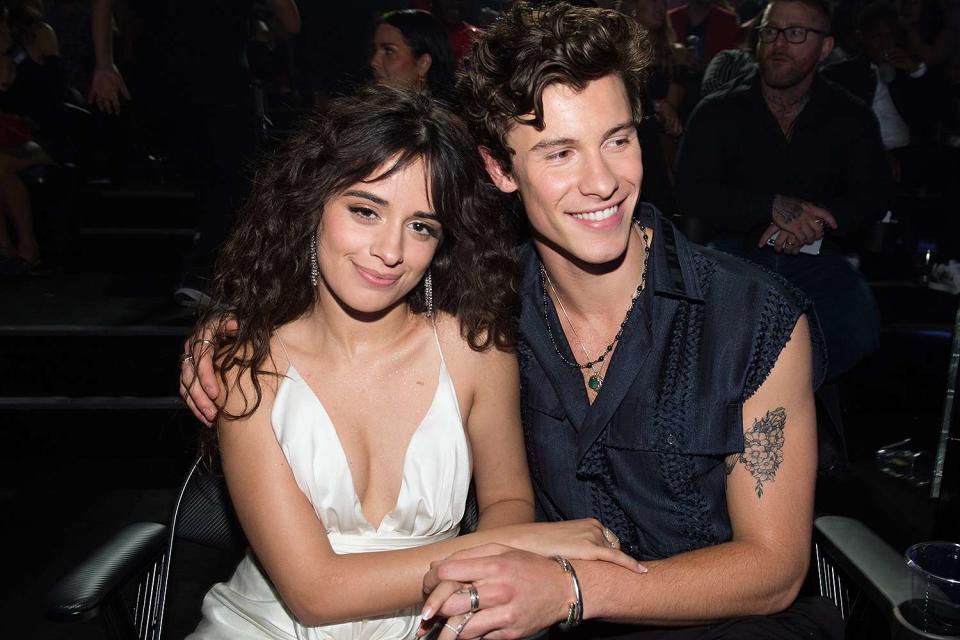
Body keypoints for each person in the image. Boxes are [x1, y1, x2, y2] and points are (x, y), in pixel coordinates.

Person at [184, 4, 842, 638]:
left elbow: (774, 572)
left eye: (618, 140)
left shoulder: (753, 319)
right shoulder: (486, 306)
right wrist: (230, 328)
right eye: (559, 153)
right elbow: (362, 286)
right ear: (500, 168)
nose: (601, 181)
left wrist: (570, 586)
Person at [182, 86, 641, 640]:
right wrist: (528, 543)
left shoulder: (475, 347)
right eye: (365, 210)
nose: (391, 250)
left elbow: (508, 498)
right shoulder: (243, 365)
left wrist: (470, 593)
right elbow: (314, 593)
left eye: (421, 226)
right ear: (311, 206)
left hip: (440, 618)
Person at [677, 0, 890, 382]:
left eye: (795, 33)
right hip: (732, 256)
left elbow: (872, 196)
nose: (778, 43)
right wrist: (770, 206)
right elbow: (692, 192)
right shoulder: (718, 112)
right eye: (770, 31)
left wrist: (817, 222)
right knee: (715, 335)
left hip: (821, 257)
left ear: (824, 47)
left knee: (857, 327)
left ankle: (793, 413)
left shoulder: (851, 117)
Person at [371, 9, 457, 103]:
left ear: (423, 63)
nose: (374, 62)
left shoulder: (439, 117)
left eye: (389, 51)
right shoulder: (364, 112)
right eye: (375, 50)